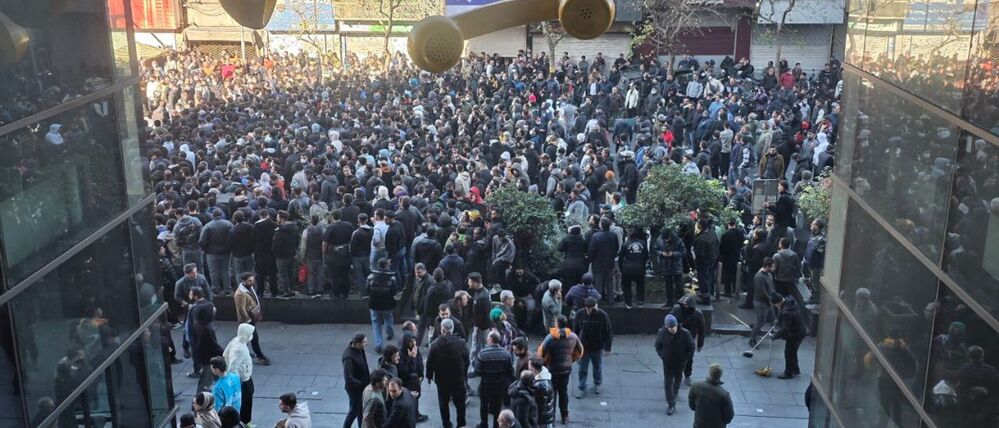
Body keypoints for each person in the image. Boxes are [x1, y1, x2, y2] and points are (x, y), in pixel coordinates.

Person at [537, 315, 583, 424]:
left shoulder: (550, 337)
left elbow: (541, 353)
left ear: (557, 324)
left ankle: (551, 418)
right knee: (563, 393)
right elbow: (580, 351)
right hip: (566, 369)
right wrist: (572, 360)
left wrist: (544, 364)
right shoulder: (573, 337)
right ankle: (565, 416)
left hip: (552, 369)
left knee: (552, 394)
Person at [427, 318, 470, 428]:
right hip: (458, 378)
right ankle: (461, 423)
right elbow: (467, 360)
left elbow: (430, 362)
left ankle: (446, 423)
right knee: (460, 403)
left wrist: (429, 375)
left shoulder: (435, 344)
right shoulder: (461, 343)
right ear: (453, 328)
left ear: (442, 329)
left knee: (443, 402)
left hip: (442, 379)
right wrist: (464, 372)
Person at [655, 314, 695, 416]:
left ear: (677, 325)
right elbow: (658, 346)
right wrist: (663, 356)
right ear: (666, 327)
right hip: (668, 363)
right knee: (668, 384)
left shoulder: (685, 333)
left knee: (677, 380)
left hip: (680, 363)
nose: (673, 329)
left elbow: (691, 346)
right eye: (670, 327)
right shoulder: (662, 333)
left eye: (674, 327)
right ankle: (671, 403)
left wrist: (686, 358)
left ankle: (675, 392)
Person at [474, 330, 515, 428]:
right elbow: (510, 371)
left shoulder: (482, 354)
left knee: (484, 405)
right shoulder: (506, 354)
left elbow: (477, 371)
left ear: (491, 339)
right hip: (500, 385)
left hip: (486, 384)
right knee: (497, 407)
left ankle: (484, 424)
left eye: (488, 337)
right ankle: (496, 425)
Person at [573, 297, 612, 399]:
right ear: (586, 307)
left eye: (594, 307)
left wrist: (608, 347)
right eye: (590, 308)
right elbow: (575, 330)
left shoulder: (602, 315)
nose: (592, 310)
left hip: (597, 347)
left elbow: (608, 331)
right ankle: (582, 387)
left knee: (597, 367)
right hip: (584, 347)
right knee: (582, 368)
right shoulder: (580, 314)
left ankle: (597, 383)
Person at [233, 272, 270, 365]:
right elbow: (241, 309)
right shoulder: (240, 294)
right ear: (243, 281)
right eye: (249, 281)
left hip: (251, 317)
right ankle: (259, 356)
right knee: (253, 337)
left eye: (252, 280)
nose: (252, 282)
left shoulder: (248, 288)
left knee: (244, 339)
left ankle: (240, 354)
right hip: (246, 320)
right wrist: (247, 320)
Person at [669, 294, 705, 386]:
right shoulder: (677, 310)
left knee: (689, 358)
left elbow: (701, 330)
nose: (685, 308)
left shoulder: (698, 314)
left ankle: (687, 375)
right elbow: (668, 322)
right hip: (677, 337)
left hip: (689, 339)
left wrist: (700, 344)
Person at [222, 323, 255, 424]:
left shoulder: (235, 340)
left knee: (247, 397)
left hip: (244, 376)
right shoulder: (240, 349)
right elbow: (233, 367)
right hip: (243, 379)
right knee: (246, 400)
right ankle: (245, 421)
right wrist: (237, 380)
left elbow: (225, 354)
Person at [367, 257, 398, 353]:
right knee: (388, 319)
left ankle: (378, 344)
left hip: (374, 304)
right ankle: (389, 333)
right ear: (386, 266)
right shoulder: (391, 278)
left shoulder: (370, 277)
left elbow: (367, 290)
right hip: (387, 304)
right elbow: (394, 291)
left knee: (376, 323)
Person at [772, 294, 806, 379]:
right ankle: (795, 369)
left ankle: (788, 373)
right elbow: (782, 311)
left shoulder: (786, 313)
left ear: (778, 303)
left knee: (788, 353)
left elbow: (785, 329)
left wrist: (775, 336)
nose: (776, 307)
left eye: (775, 305)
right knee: (793, 351)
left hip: (794, 334)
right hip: (800, 331)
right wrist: (778, 319)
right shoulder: (789, 302)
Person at [200, 209, 234, 295]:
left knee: (214, 272)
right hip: (226, 252)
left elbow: (202, 241)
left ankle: (215, 289)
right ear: (221, 215)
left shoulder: (208, 226)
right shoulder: (228, 224)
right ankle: (228, 289)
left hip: (211, 253)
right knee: (226, 271)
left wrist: (205, 249)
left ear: (213, 216)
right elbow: (232, 237)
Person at [342, 334, 371, 428]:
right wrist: (361, 383)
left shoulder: (360, 350)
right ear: (357, 343)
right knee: (354, 411)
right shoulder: (348, 357)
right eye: (364, 342)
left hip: (362, 387)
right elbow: (348, 378)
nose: (367, 344)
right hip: (355, 390)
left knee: (360, 410)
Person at [587, 217, 620, 300]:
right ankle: (611, 299)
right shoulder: (613, 235)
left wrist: (591, 259)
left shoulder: (596, 236)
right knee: (609, 281)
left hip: (598, 263)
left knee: (598, 283)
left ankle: (598, 301)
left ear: (601, 225)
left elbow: (592, 250)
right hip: (609, 262)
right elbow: (616, 248)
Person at [618, 225, 649, 308]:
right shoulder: (643, 243)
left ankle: (628, 303)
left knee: (627, 285)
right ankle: (640, 301)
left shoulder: (625, 244)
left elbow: (621, 257)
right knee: (640, 284)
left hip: (628, 267)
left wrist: (621, 268)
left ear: (629, 235)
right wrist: (643, 264)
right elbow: (646, 256)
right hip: (640, 267)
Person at [272, 210, 301, 299]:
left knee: (283, 274)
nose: (276, 219)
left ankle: (285, 291)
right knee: (291, 272)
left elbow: (276, 245)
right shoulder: (295, 228)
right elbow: (297, 241)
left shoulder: (279, 231)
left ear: (282, 218)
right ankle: (292, 289)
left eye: (277, 217)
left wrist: (274, 252)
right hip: (292, 253)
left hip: (281, 256)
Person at [655, 228, 686, 308]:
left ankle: (682, 303)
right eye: (664, 239)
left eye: (667, 238)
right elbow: (656, 250)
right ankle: (669, 302)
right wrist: (662, 254)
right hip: (665, 266)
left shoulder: (677, 239)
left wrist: (673, 254)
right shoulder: (659, 239)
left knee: (679, 286)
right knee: (668, 286)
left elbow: (683, 252)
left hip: (676, 267)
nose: (666, 240)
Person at [750, 258, 777, 348]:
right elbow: (761, 292)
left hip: (769, 302)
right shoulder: (759, 277)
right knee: (761, 322)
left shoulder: (769, 275)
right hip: (761, 303)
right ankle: (752, 339)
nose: (774, 268)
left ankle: (756, 329)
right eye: (772, 266)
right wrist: (770, 300)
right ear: (767, 266)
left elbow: (771, 288)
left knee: (772, 319)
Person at [692, 216, 719, 303]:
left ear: (700, 226)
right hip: (712, 259)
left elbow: (699, 254)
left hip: (703, 262)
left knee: (703, 279)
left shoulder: (701, 238)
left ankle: (705, 298)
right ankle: (708, 294)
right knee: (709, 278)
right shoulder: (712, 232)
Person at [468, 272, 492, 368]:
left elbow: (485, 314)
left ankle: (475, 368)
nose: (468, 284)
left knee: (476, 348)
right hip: (482, 326)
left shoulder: (482, 297)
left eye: (470, 282)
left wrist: (478, 328)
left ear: (475, 282)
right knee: (482, 347)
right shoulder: (482, 292)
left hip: (481, 327)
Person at [718, 219, 744, 297]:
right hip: (737, 256)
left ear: (728, 225)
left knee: (727, 274)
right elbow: (742, 243)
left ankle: (727, 291)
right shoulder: (740, 233)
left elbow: (722, 248)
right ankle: (735, 290)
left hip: (727, 257)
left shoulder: (725, 235)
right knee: (735, 274)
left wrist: (721, 255)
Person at [529, 357, 555, 428]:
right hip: (547, 417)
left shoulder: (540, 386)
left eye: (530, 367)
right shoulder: (544, 378)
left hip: (543, 420)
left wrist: (535, 421)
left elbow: (540, 408)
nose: (529, 369)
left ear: (533, 369)